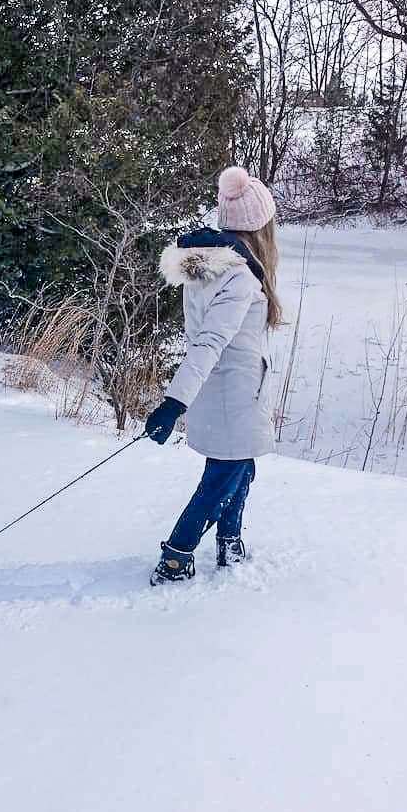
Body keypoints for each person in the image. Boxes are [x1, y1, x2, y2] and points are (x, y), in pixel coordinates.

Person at [144, 166, 283, 585]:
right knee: (223, 477)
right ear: (260, 227)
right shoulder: (238, 277)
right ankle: (176, 555)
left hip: (223, 391)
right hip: (231, 394)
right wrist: (172, 403)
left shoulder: (208, 266)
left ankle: (229, 541)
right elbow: (208, 342)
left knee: (240, 468)